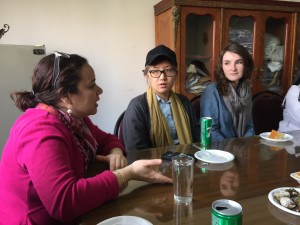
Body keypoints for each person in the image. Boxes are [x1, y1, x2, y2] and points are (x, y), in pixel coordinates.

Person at [0, 51, 172, 225]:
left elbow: (107, 140)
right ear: (65, 96)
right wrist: (127, 173)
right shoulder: (40, 131)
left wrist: (116, 152)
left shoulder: (74, 119)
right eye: (91, 86)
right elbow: (64, 202)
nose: (100, 91)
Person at [121, 45, 200, 151]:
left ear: (176, 74)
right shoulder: (137, 106)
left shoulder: (184, 102)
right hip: (153, 164)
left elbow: (196, 139)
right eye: (155, 71)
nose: (162, 77)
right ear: (147, 75)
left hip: (184, 161)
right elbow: (136, 152)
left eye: (168, 71)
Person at [200, 43, 255, 141]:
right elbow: (211, 131)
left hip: (242, 149)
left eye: (238, 62)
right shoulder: (212, 91)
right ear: (221, 67)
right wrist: (233, 149)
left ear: (246, 65)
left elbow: (249, 125)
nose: (233, 68)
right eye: (227, 63)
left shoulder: (246, 90)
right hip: (220, 151)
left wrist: (245, 145)